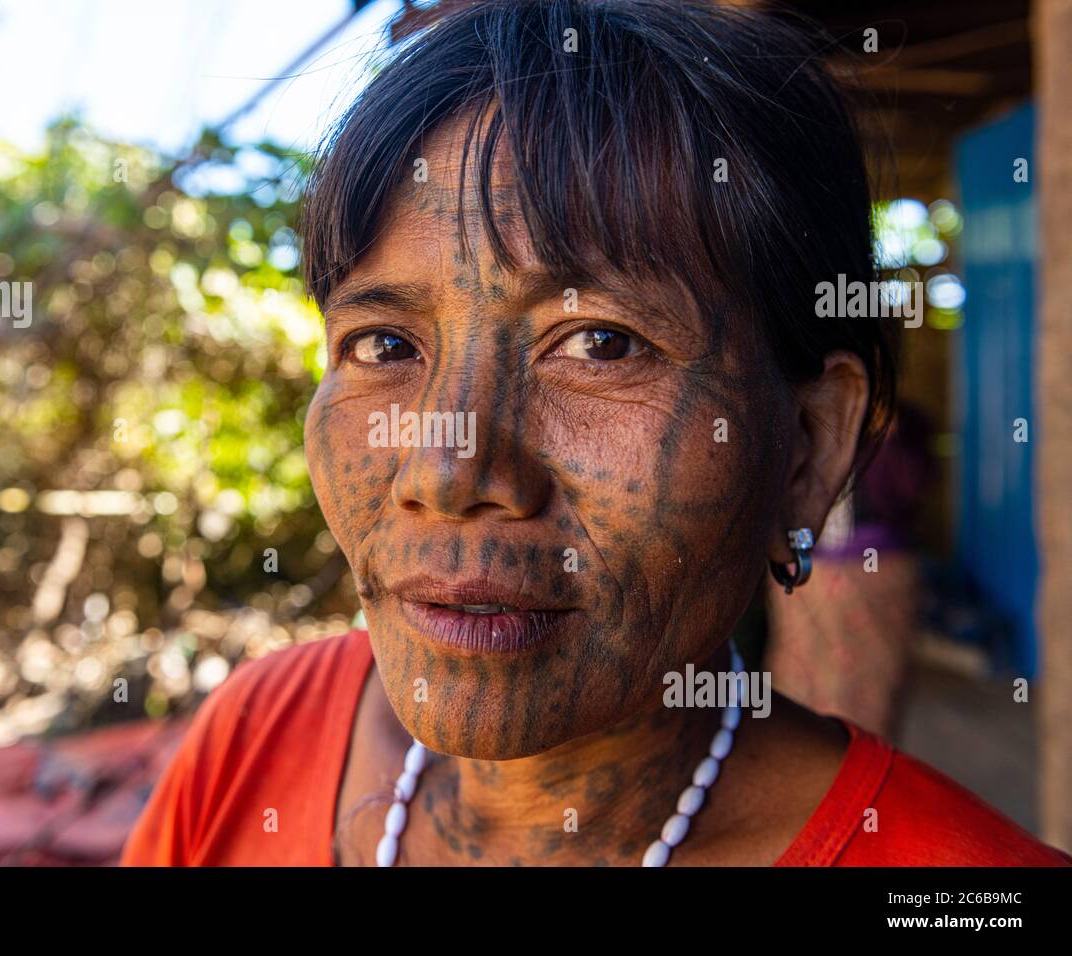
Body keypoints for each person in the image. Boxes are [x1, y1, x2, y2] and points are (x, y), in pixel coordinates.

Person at [122, 0, 1069, 866]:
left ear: (809, 447)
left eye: (601, 344)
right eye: (383, 344)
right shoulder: (255, 737)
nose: (447, 470)